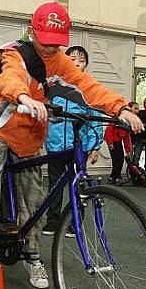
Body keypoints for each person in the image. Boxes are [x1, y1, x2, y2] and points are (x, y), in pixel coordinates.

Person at [0, 2, 142, 289]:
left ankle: (32, 255)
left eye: (57, 43)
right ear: (32, 32)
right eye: (46, 42)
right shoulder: (14, 53)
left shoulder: (60, 61)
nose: (50, 49)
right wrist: (23, 97)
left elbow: (88, 85)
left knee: (34, 200)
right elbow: (9, 78)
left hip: (31, 135)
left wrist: (120, 108)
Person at [42, 45, 104, 237]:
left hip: (79, 146)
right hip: (55, 145)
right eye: (72, 59)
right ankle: (52, 221)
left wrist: (95, 146)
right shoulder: (53, 86)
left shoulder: (88, 88)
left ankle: (73, 223)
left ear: (86, 65)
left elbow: (97, 117)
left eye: (81, 60)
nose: (76, 63)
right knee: (55, 185)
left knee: (77, 185)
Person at [105, 119, 131, 185]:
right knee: (117, 160)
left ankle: (113, 177)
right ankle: (116, 178)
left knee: (119, 160)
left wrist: (128, 150)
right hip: (113, 142)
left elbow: (126, 138)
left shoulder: (127, 124)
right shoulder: (115, 120)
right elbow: (109, 131)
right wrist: (110, 143)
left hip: (118, 142)